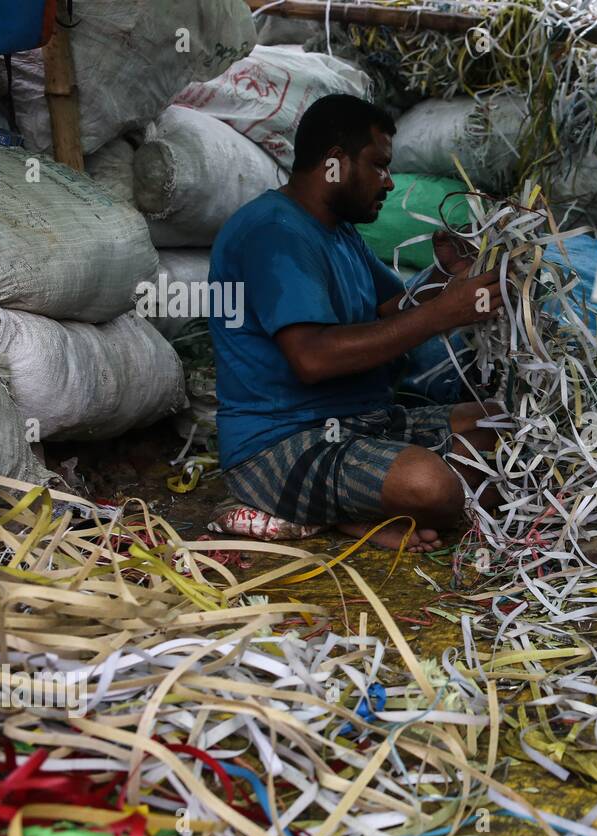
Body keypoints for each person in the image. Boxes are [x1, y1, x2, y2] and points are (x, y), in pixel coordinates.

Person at [209, 93, 503, 552]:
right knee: (431, 486)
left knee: (501, 425)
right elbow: (312, 357)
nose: (388, 182)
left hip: (362, 422)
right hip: (282, 444)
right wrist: (443, 313)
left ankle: (361, 508)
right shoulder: (274, 233)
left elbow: (393, 308)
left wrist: (445, 276)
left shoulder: (339, 231)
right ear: (334, 162)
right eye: (379, 165)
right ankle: (357, 510)